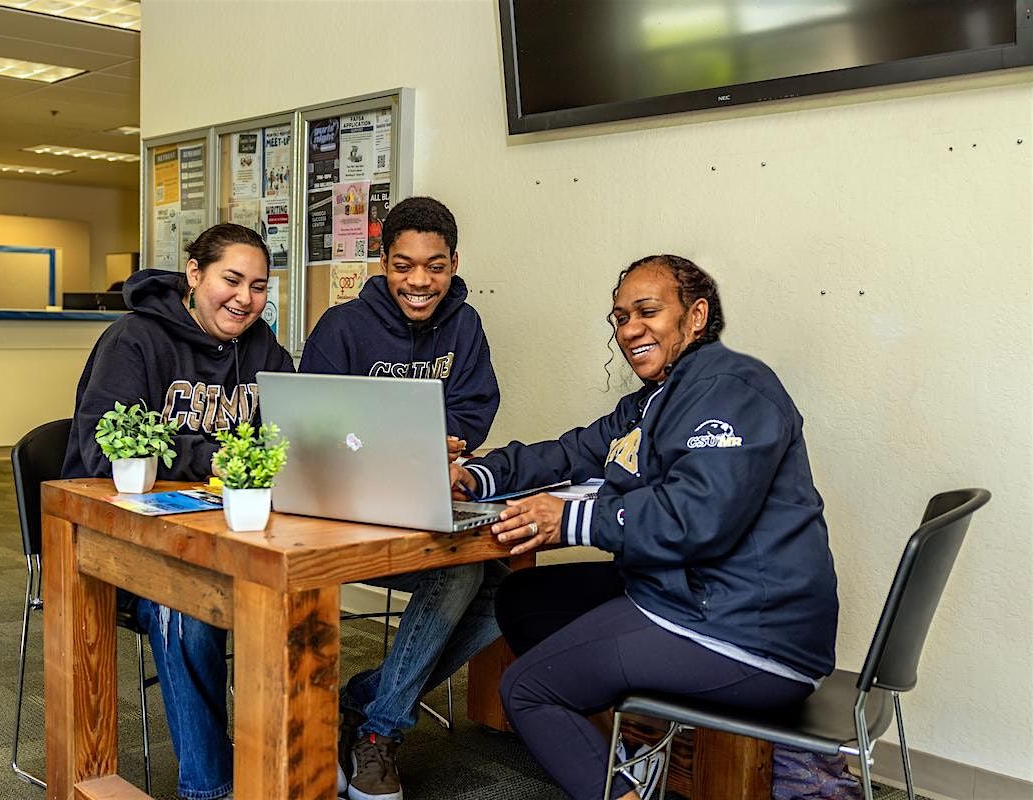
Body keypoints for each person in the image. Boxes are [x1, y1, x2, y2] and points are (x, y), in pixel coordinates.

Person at [450, 255, 839, 800]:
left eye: (647, 311)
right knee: (523, 597)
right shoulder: (657, 400)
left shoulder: (734, 387)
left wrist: (572, 519)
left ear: (696, 316)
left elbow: (697, 517)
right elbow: (571, 452)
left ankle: (620, 776)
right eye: (619, 317)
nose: (630, 329)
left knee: (528, 689)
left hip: (746, 632)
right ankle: (630, 753)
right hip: (695, 598)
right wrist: (477, 474)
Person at [62, 223, 293, 800]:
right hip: (121, 546)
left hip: (230, 537)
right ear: (195, 275)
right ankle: (209, 788)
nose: (245, 298)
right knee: (183, 606)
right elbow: (98, 449)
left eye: (260, 286)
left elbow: (297, 429)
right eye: (231, 280)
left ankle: (309, 752)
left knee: (298, 594)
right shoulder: (134, 340)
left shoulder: (263, 348)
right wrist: (218, 457)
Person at [300, 196, 505, 800]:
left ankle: (369, 704)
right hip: (345, 509)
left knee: (503, 591)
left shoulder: (464, 325)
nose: (420, 281)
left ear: (453, 263)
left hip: (424, 495)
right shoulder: (342, 328)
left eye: (435, 266)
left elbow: (474, 406)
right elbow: (311, 424)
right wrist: (387, 442)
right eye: (404, 265)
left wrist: (447, 442)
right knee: (461, 575)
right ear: (383, 263)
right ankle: (381, 730)